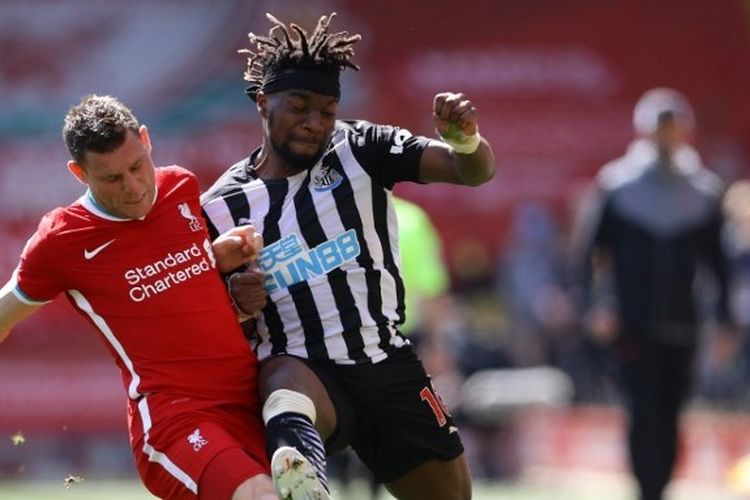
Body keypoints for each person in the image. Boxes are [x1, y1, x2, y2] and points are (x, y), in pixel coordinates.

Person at [200, 12, 494, 500]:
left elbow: (472, 171)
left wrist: (465, 140)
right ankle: (304, 480)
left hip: (384, 361)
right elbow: (208, 319)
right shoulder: (220, 207)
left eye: (327, 109)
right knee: (281, 375)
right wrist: (234, 301)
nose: (314, 123)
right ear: (261, 102)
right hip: (304, 375)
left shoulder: (360, 147)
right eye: (298, 106)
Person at [0, 94, 307, 500]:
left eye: (136, 166)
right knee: (261, 496)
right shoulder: (60, 240)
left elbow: (176, 283)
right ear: (79, 173)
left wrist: (215, 260)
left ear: (146, 140)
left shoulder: (181, 185)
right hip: (175, 420)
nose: (133, 187)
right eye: (111, 178)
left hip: (249, 402)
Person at [573, 88, 733, 500]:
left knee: (672, 414)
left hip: (684, 323)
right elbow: (588, 252)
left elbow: (719, 265)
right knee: (642, 412)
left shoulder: (703, 192)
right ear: (644, 131)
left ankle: (660, 488)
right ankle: (647, 491)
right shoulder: (618, 187)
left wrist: (726, 321)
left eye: (673, 128)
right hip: (632, 323)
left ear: (685, 131)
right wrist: (592, 307)